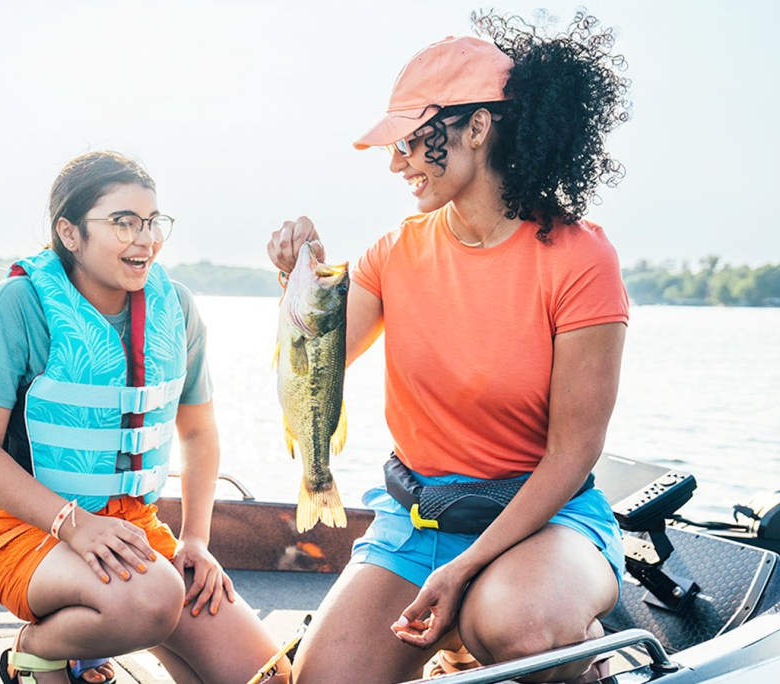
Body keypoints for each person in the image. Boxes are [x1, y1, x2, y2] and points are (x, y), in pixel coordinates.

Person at [267, 10, 630, 684]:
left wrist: (463, 569)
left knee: (515, 627)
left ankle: (571, 637)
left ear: (477, 126)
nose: (396, 162)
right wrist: (291, 284)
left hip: (545, 521)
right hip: (418, 521)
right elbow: (317, 362)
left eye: (410, 140)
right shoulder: (394, 254)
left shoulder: (581, 259)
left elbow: (573, 452)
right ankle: (467, 635)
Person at [0, 150, 288, 684]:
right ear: (69, 232)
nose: (146, 239)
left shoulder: (175, 307)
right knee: (153, 596)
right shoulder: (17, 305)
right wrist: (76, 525)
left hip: (137, 532)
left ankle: (109, 631)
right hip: (33, 532)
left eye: (153, 222)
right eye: (123, 222)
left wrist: (195, 542)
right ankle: (37, 652)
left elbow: (198, 432)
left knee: (268, 678)